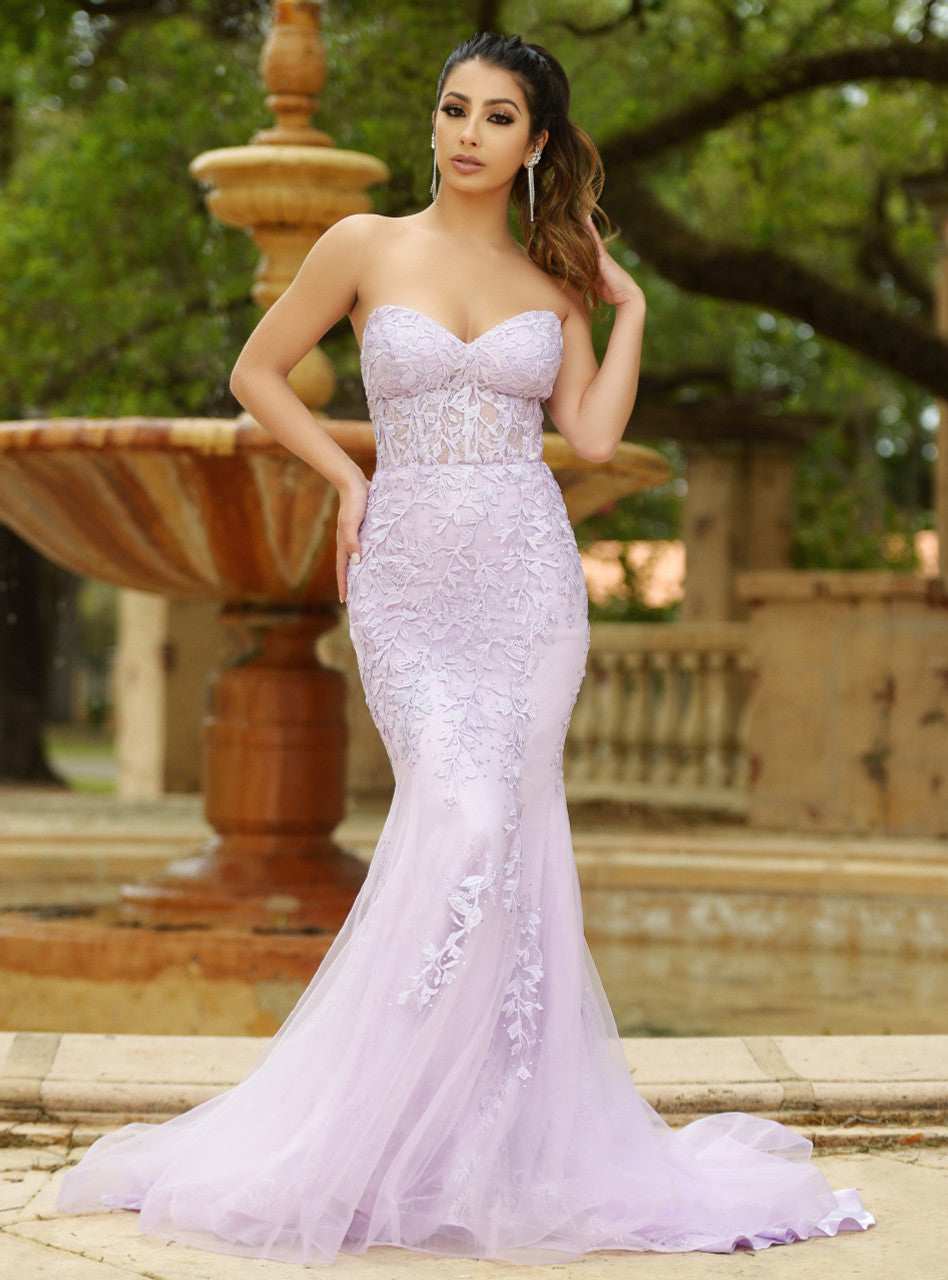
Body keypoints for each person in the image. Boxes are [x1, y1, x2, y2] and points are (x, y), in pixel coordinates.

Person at [56, 32, 873, 1264]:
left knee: (506, 829)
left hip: (531, 582)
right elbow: (258, 372)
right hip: (410, 575)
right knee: (463, 817)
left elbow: (592, 440)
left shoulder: (553, 284)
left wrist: (630, 303)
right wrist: (344, 474)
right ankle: (373, 1131)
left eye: (499, 116)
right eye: (455, 108)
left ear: (536, 143)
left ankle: (482, 1136)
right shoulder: (363, 244)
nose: (469, 132)